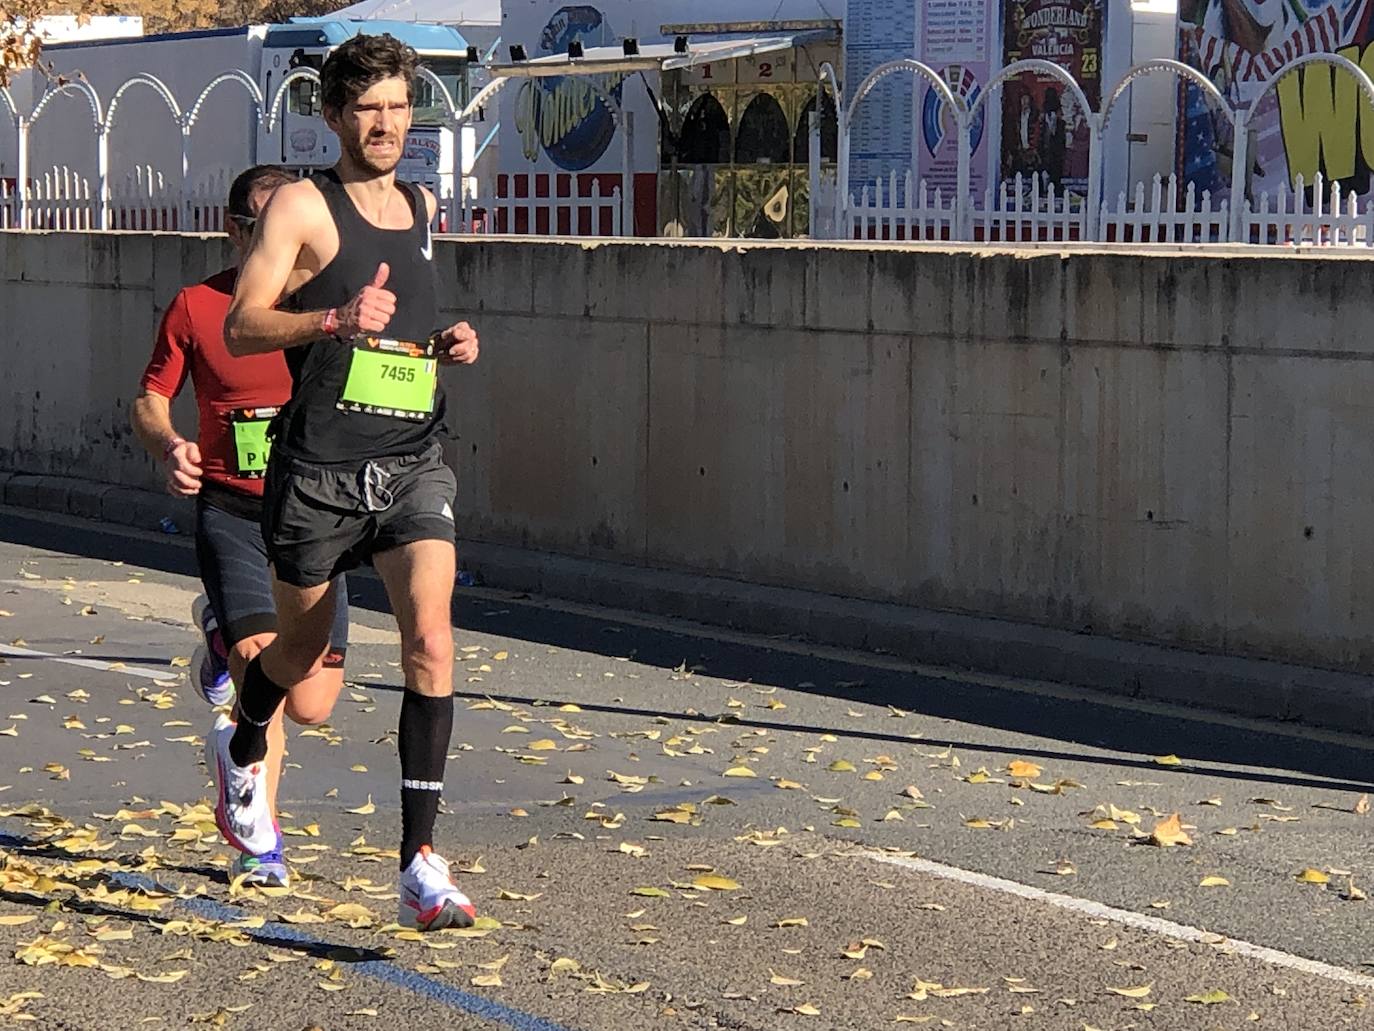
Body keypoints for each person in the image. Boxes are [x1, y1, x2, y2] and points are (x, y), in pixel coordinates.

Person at [220, 33, 480, 931]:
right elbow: (243, 327)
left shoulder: (421, 202)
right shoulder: (301, 205)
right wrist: (331, 316)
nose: (386, 123)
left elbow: (401, 326)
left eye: (400, 105)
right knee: (297, 664)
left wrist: (445, 342)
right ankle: (246, 741)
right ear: (332, 116)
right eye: (367, 107)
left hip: (413, 458)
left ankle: (418, 861)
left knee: (433, 643)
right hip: (320, 472)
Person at [131, 165, 353, 889]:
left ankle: (218, 638)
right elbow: (149, 397)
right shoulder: (197, 306)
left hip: (314, 513)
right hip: (232, 512)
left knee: (315, 701)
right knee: (270, 678)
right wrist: (171, 446)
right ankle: (261, 844)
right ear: (235, 230)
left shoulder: (331, 310)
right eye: (264, 223)